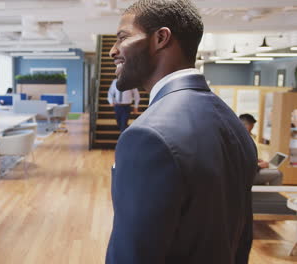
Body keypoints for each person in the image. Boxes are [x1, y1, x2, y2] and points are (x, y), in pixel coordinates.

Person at [106, 1, 257, 263]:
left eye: (123, 37)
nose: (113, 51)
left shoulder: (146, 136)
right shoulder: (232, 121)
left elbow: (132, 255)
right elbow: (242, 237)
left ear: (160, 38)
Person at [239, 113, 283, 185]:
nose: (251, 131)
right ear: (245, 125)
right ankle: (273, 196)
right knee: (278, 174)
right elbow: (241, 166)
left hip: (246, 173)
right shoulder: (240, 140)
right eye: (251, 128)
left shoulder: (237, 139)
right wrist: (259, 166)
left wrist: (256, 160)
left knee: (269, 171)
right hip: (245, 175)